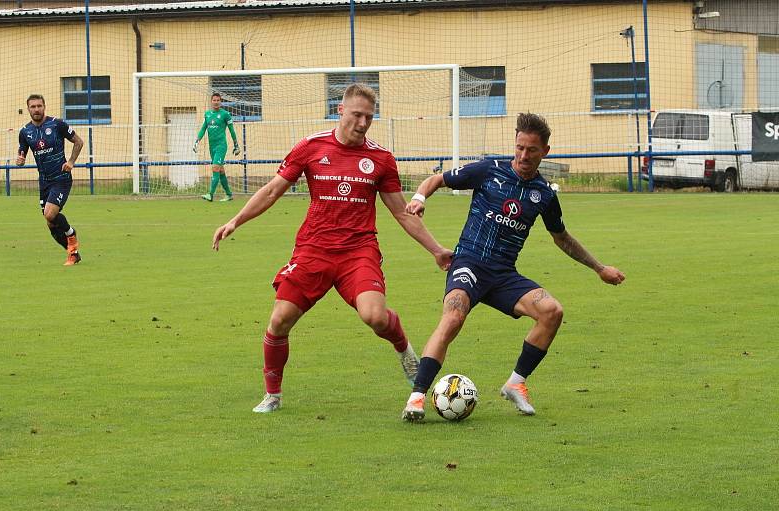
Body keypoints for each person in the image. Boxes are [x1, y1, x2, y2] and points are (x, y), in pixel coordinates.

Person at [212, 83, 453, 413]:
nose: (363, 122)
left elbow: (400, 212)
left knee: (376, 317)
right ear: (340, 111)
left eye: (369, 117)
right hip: (313, 250)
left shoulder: (380, 158)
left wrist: (436, 249)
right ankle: (273, 395)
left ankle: (403, 347)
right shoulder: (311, 147)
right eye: (357, 114)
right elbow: (271, 191)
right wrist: (235, 221)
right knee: (280, 320)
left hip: (358, 252)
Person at [401, 113, 625, 421]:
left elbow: (562, 238)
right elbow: (437, 179)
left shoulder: (544, 195)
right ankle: (416, 398)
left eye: (531, 150)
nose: (523, 155)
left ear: (545, 151)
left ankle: (515, 384)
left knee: (552, 311)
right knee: (453, 317)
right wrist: (419, 197)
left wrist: (599, 268)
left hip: (503, 274)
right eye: (519, 147)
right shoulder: (487, 171)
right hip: (469, 262)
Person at [16, 94, 85, 266]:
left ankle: (71, 235)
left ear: (44, 106)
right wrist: (20, 160)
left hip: (61, 178)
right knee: (50, 223)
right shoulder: (25, 132)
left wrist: (71, 162)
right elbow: (22, 152)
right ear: (28, 109)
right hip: (44, 181)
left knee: (50, 213)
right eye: (33, 107)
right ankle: (73, 253)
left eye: (39, 106)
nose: (36, 109)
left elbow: (78, 142)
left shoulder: (57, 124)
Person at [194, 92, 240, 202]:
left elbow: (231, 130)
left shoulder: (225, 114)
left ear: (221, 102)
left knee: (215, 167)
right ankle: (229, 194)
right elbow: (203, 129)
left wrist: (236, 145)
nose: (216, 102)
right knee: (220, 171)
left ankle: (210, 194)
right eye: (214, 100)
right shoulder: (207, 114)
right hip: (212, 147)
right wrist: (197, 141)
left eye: (218, 100)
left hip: (221, 146)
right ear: (211, 101)